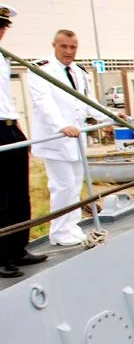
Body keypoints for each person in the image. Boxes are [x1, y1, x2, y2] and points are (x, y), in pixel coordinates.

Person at [28, 29, 106, 247]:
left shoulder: (79, 71)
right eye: (64, 46)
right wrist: (61, 126)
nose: (68, 51)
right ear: (54, 45)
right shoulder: (40, 70)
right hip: (55, 140)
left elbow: (87, 100)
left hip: (75, 141)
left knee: (74, 185)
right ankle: (59, 232)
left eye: (73, 47)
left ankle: (72, 227)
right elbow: (44, 104)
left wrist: (110, 116)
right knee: (61, 187)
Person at [0, 4, 47, 278]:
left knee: (20, 194)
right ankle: (2, 256)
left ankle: (18, 248)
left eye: (3, 27)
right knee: (1, 198)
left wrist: (18, 129)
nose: (1, 31)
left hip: (9, 126)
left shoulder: (3, 58)